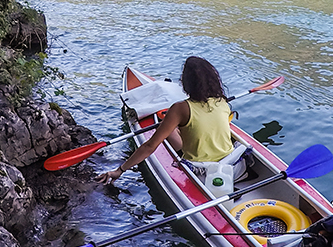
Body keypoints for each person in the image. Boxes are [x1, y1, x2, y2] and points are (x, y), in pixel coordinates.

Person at [99, 56, 234, 181]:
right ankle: (172, 125)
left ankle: (168, 124)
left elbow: (150, 146)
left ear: (185, 82)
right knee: (177, 126)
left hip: (201, 169)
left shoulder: (180, 108)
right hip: (232, 161)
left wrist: (120, 170)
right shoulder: (222, 101)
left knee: (169, 126)